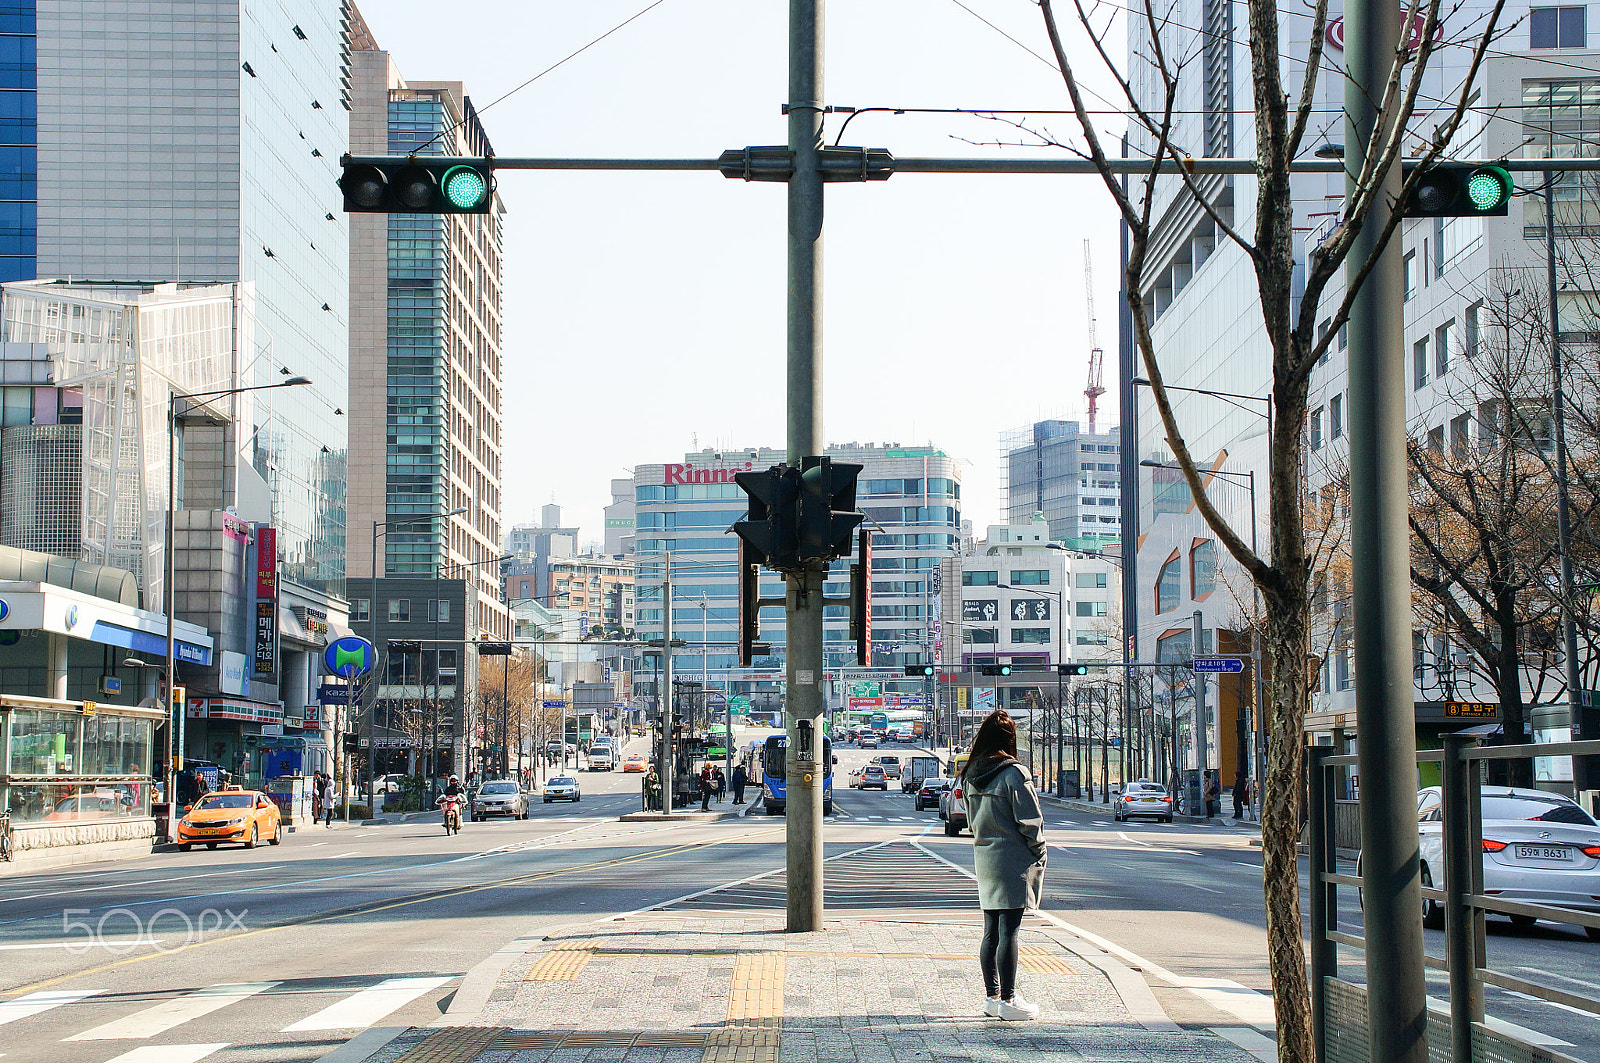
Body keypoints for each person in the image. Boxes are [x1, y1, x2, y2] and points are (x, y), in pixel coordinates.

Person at [962, 709, 1046, 1021]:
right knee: (1010, 930)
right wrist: (1039, 851)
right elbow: (1030, 822)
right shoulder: (1014, 774)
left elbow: (971, 822)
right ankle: (1009, 999)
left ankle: (992, 996)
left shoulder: (971, 774)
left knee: (990, 931)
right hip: (1012, 858)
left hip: (984, 858)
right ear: (1010, 739)